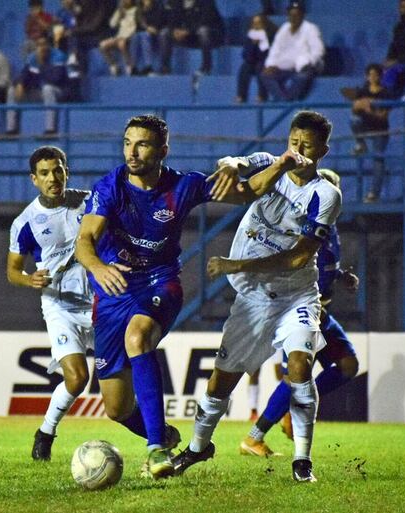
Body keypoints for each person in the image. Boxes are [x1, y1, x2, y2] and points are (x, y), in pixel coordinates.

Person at [75, 114, 287, 478]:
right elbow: (84, 241)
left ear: (162, 150)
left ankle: (156, 450)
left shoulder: (183, 186)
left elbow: (247, 192)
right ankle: (166, 435)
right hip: (112, 290)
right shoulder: (109, 188)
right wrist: (96, 268)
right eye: (128, 143)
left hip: (159, 282)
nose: (132, 152)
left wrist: (280, 163)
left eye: (142, 144)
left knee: (137, 338)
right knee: (116, 408)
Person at [171, 111, 341, 483]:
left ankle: (302, 460)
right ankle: (198, 449)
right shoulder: (272, 163)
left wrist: (239, 266)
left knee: (299, 366)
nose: (298, 151)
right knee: (220, 383)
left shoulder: (325, 194)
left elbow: (299, 255)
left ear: (324, 151)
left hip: (296, 296)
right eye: (294, 142)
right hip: (253, 302)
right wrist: (232, 163)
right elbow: (239, 168)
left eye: (307, 147)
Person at [238, 168, 360, 458]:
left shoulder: (329, 230)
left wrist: (341, 276)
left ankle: (290, 406)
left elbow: (323, 266)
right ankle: (253, 438)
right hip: (298, 310)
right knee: (294, 377)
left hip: (322, 313)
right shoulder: (297, 228)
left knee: (347, 366)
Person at [7, 146, 93, 461]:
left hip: (100, 302)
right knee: (77, 377)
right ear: (34, 179)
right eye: (44, 173)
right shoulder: (26, 222)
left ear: (66, 171)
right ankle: (46, 432)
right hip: (60, 306)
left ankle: (150, 432)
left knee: (125, 374)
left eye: (58, 170)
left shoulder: (89, 201)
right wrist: (29, 279)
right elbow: (12, 271)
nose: (53, 178)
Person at [342, 63, 391, 202]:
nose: (373, 77)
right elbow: (354, 106)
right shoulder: (363, 91)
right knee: (354, 120)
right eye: (370, 75)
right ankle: (360, 144)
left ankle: (374, 194)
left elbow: (383, 116)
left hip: (380, 130)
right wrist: (359, 103)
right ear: (367, 76)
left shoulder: (385, 93)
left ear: (380, 76)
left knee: (378, 160)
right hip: (365, 127)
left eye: (376, 75)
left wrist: (370, 108)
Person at [260, 1, 324, 102]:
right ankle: (282, 99)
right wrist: (270, 65)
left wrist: (307, 62)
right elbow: (275, 50)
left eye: (296, 15)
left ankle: (287, 101)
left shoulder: (310, 29)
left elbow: (318, 50)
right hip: (285, 67)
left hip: (303, 66)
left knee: (301, 77)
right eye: (291, 15)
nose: (293, 18)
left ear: (302, 15)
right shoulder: (284, 29)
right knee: (265, 75)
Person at [6, 36, 69, 136]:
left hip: (58, 92)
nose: (42, 48)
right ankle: (11, 130)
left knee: (47, 89)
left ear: (49, 45)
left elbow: (55, 79)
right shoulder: (32, 57)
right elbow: (24, 74)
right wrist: (20, 83)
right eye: (39, 45)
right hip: (39, 93)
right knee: (12, 90)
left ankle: (50, 129)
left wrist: (41, 64)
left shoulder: (59, 56)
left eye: (44, 44)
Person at [159, 0, 225, 75]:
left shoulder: (207, 1)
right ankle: (165, 69)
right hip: (191, 36)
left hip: (212, 35)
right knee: (164, 33)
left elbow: (205, 21)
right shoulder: (176, 2)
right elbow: (171, 20)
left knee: (203, 31)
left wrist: (187, 31)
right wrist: (174, 30)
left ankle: (206, 68)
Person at [236, 13, 277, 104]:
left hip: (268, 62)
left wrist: (262, 42)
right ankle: (241, 96)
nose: (256, 26)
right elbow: (246, 56)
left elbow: (269, 55)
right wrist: (253, 45)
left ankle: (262, 95)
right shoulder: (251, 36)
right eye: (254, 23)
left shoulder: (272, 36)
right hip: (253, 62)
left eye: (259, 23)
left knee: (260, 67)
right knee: (245, 67)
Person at [99, 0, 138, 77]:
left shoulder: (135, 10)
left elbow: (134, 26)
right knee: (103, 45)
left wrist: (127, 36)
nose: (125, 1)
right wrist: (119, 14)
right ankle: (113, 65)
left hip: (131, 36)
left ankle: (129, 65)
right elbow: (112, 24)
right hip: (120, 36)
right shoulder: (120, 11)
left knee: (121, 44)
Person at [129, 0, 165, 76]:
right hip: (144, 30)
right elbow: (139, 21)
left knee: (145, 35)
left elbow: (160, 20)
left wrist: (154, 28)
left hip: (156, 30)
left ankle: (148, 67)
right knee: (135, 36)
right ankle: (133, 67)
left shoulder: (158, 6)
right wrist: (147, 28)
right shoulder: (139, 7)